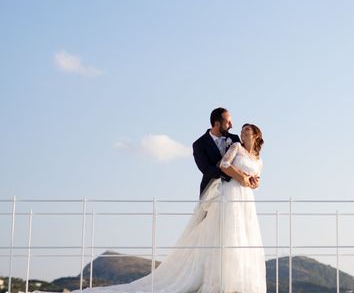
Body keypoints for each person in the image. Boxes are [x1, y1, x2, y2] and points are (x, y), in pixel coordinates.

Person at [57, 109, 266, 293]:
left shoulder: (234, 140)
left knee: (234, 235)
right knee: (206, 234)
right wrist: (239, 177)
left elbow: (248, 160)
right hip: (213, 194)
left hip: (239, 197)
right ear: (216, 123)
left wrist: (252, 180)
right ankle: (201, 276)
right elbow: (208, 169)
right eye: (228, 121)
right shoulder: (199, 145)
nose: (232, 125)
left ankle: (229, 278)